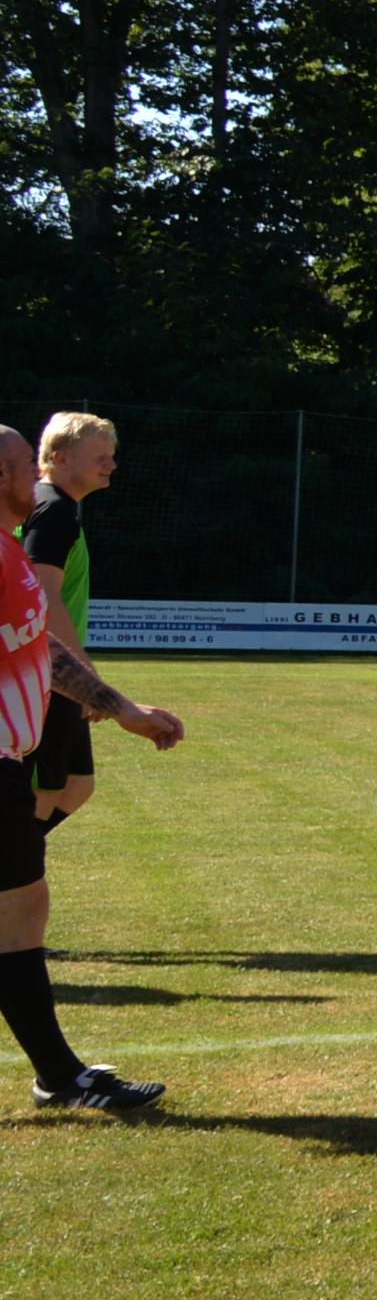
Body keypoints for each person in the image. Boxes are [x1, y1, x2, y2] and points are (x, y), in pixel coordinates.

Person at [0, 426, 184, 1112]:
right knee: (18, 916)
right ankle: (60, 1075)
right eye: (25, 468)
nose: (35, 481)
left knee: (21, 910)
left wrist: (122, 709)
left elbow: (41, 649)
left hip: (8, 766)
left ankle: (59, 1073)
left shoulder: (8, 555)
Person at [21, 411, 116, 835]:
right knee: (40, 794)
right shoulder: (54, 510)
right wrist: (83, 678)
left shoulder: (52, 506)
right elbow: (42, 596)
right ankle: (14, 880)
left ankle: (14, 866)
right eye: (99, 456)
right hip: (49, 673)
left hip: (50, 668)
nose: (110, 464)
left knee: (77, 785)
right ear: (60, 458)